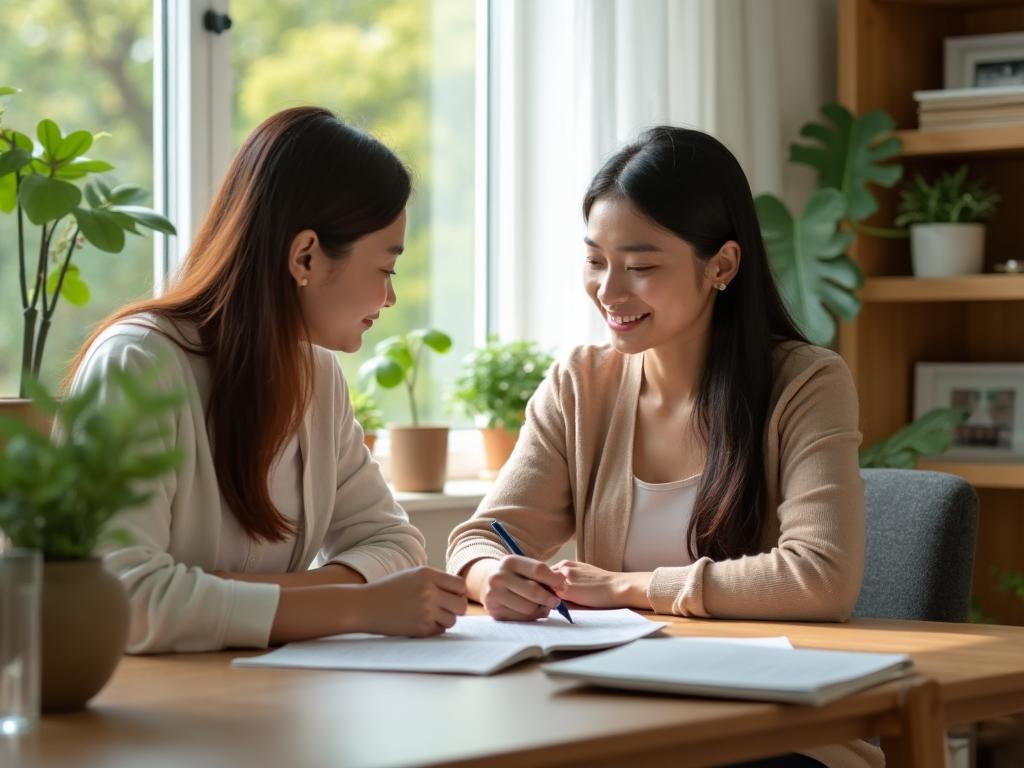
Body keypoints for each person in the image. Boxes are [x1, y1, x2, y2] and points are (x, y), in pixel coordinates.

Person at [446, 127, 877, 768]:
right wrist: (490, 574)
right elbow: (479, 537)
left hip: (772, 732)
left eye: (641, 267)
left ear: (722, 266)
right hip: (623, 717)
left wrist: (629, 587)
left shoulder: (806, 385)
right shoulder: (581, 385)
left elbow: (819, 579)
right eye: (595, 260)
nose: (609, 291)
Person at [68, 106, 466, 654]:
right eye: (386, 269)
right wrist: (356, 606)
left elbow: (393, 543)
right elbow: (115, 599)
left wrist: (235, 594)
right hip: (150, 714)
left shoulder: (319, 378)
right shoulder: (138, 363)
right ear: (305, 256)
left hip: (269, 699)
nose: (390, 298)